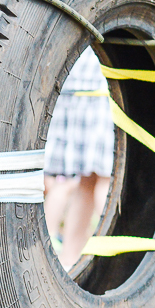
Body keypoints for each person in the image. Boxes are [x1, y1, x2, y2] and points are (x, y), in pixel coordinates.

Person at [44, 46, 114, 268]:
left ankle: (69, 260)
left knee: (87, 180)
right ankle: (115, 259)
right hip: (98, 85)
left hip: (78, 79)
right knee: (105, 178)